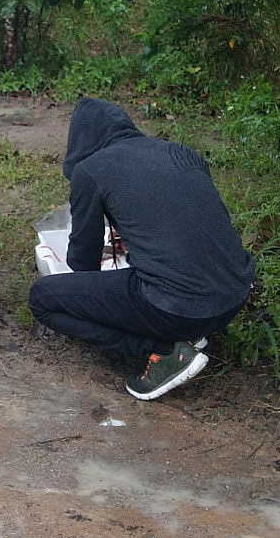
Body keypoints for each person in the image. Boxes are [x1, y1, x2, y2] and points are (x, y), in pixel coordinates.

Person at [28, 97, 255, 400]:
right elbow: (186, 224)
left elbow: (83, 264)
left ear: (80, 140)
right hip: (233, 297)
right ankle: (191, 335)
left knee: (41, 298)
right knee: (170, 278)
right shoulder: (181, 152)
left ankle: (163, 350)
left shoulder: (91, 170)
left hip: (178, 307)